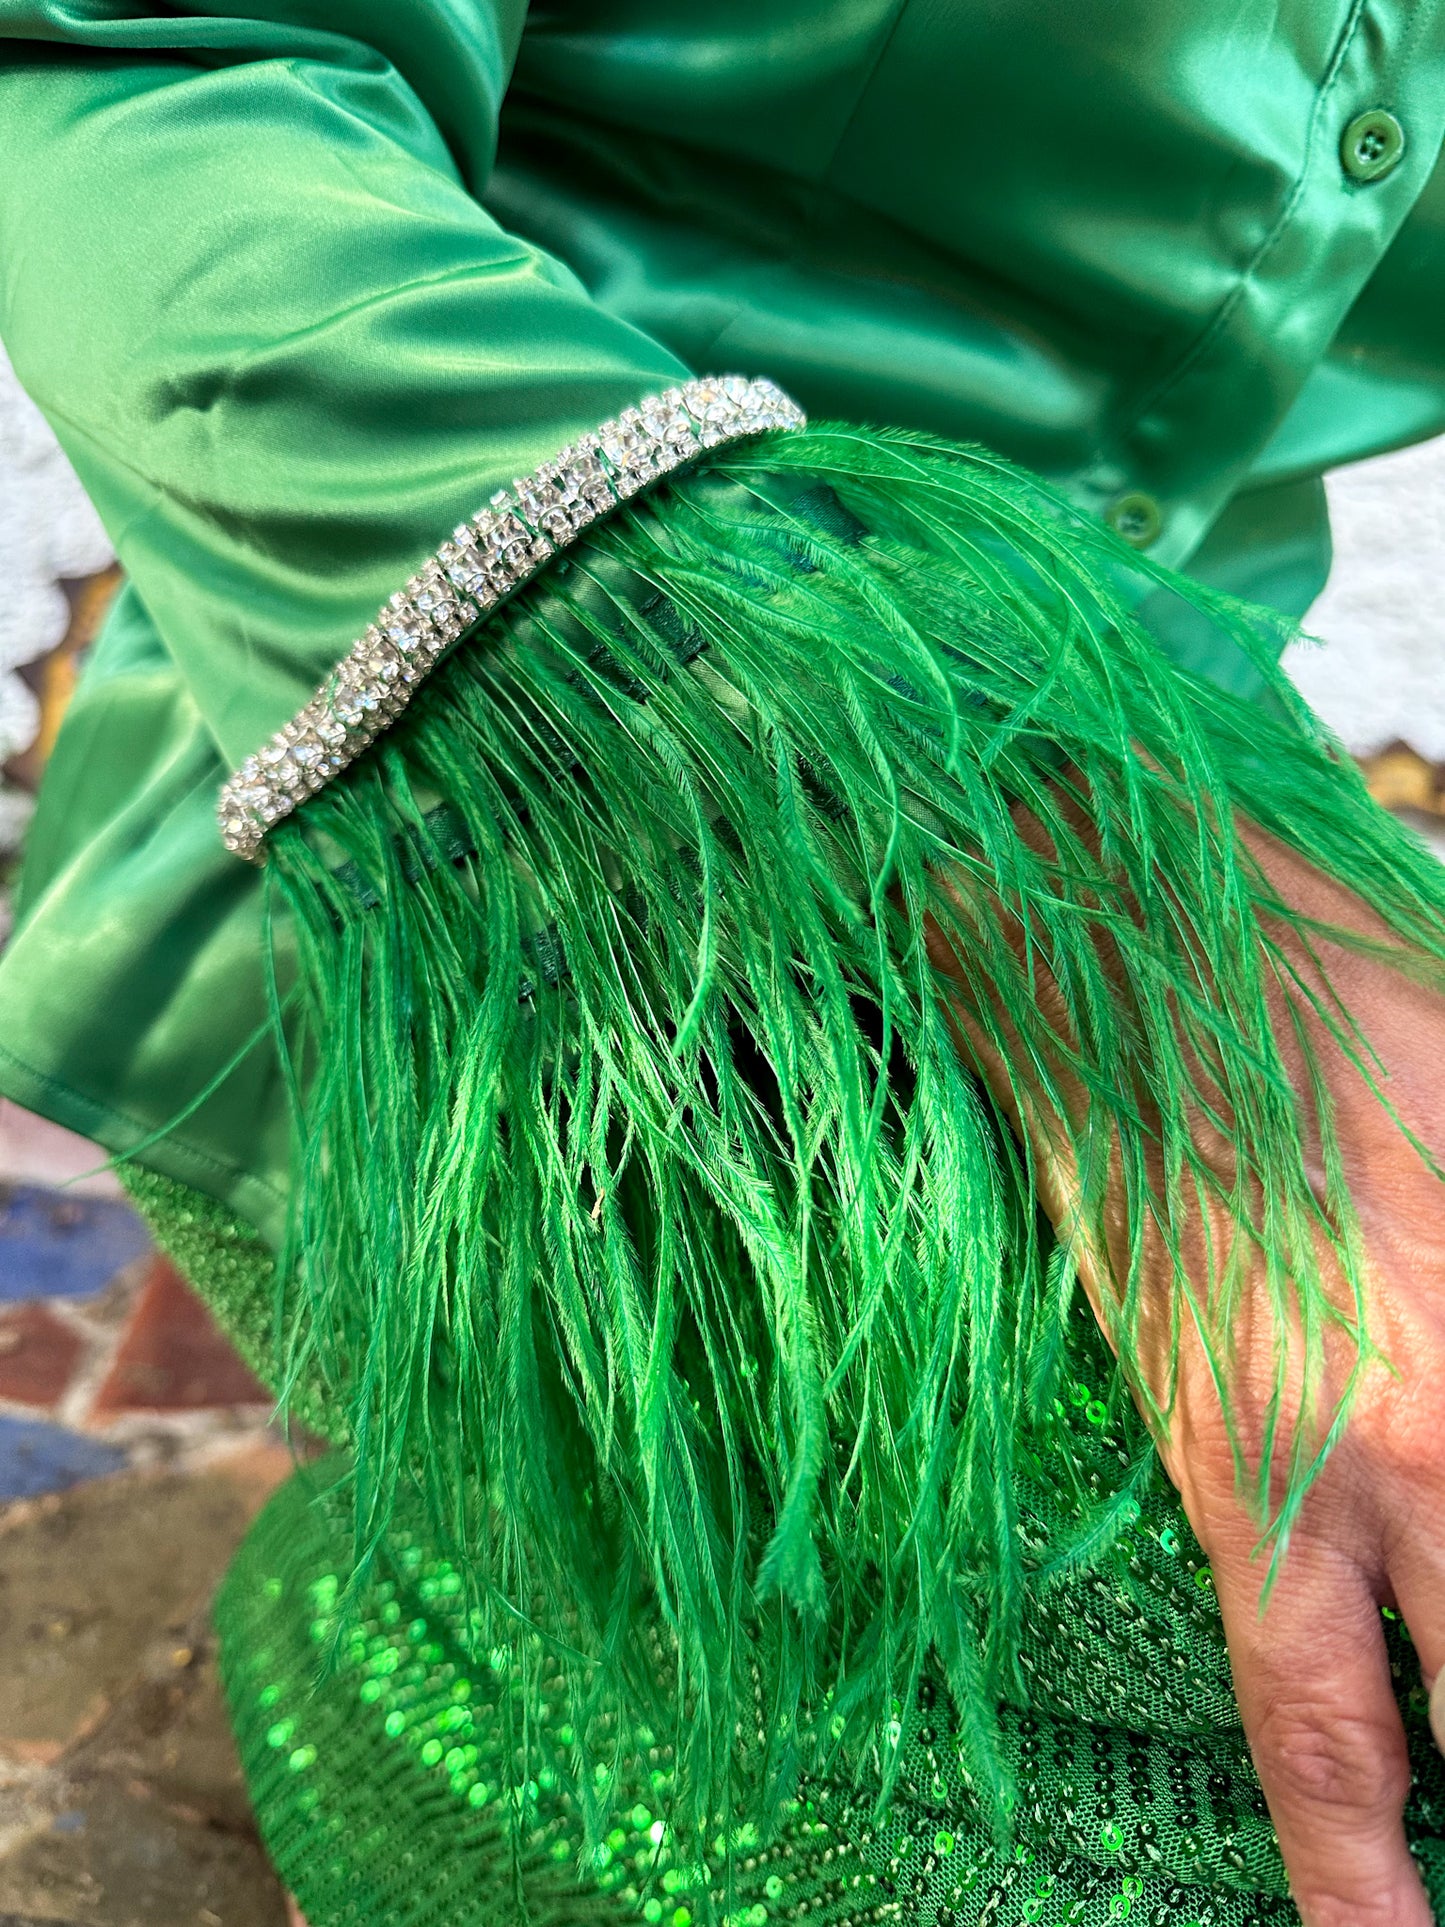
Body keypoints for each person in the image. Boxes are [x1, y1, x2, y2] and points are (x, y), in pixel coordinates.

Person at [0, 5, 1443, 1924]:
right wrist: (1082, 866)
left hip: (1210, 759)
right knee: (1280, 1782)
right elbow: (145, 79)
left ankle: (487, 1585)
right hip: (499, 799)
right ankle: (410, 1674)